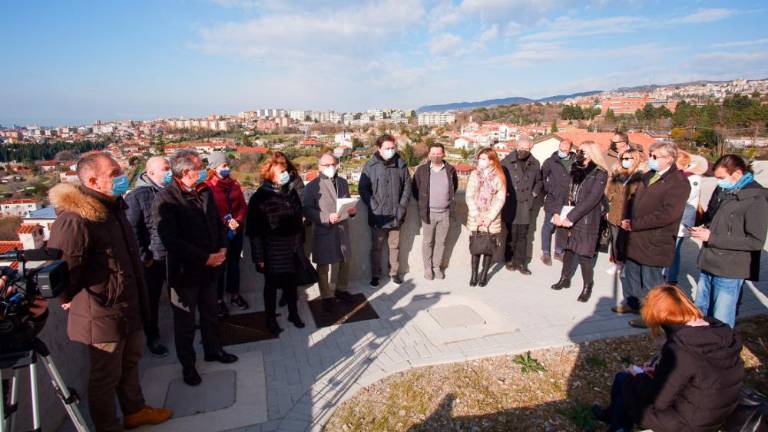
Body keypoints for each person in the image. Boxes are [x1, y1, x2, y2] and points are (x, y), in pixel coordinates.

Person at [48, 153, 172, 431]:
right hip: (101, 313)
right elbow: (63, 268)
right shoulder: (76, 219)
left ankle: (135, 411)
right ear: (93, 180)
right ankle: (107, 426)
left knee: (130, 363)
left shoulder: (113, 209)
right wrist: (66, 297)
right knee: (105, 377)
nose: (122, 175)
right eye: (114, 172)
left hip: (127, 307)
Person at [593, 285, 744, 432]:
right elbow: (699, 376)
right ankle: (612, 418)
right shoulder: (720, 330)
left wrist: (640, 375)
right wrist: (658, 372)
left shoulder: (681, 348)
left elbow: (659, 401)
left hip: (691, 423)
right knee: (626, 381)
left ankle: (617, 426)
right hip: (720, 412)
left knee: (625, 381)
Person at [154, 149, 238, 387]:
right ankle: (188, 366)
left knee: (211, 315)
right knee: (186, 324)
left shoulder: (204, 191)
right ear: (186, 172)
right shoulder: (166, 199)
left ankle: (213, 351)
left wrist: (223, 247)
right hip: (184, 275)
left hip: (210, 271)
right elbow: (171, 240)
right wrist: (204, 258)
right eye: (200, 167)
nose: (203, 170)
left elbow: (217, 221)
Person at [616, 142, 690, 328]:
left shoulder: (678, 182)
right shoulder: (648, 175)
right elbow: (632, 200)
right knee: (632, 274)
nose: (651, 159)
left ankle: (652, 315)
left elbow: (668, 214)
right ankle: (634, 304)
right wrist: (627, 218)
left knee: (651, 282)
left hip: (655, 240)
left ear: (669, 159)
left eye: (655, 157)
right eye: (650, 155)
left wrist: (636, 224)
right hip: (635, 237)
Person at [692, 154, 768, 328]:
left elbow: (755, 241)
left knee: (721, 318)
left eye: (721, 178)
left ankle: (722, 352)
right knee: (701, 311)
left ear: (737, 174)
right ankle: (702, 347)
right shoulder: (726, 191)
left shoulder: (756, 199)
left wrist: (712, 237)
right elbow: (721, 223)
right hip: (709, 261)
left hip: (729, 269)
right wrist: (706, 230)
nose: (718, 182)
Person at [246, 156, 306, 334]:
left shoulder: (290, 192)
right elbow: (254, 231)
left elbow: (297, 218)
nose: (286, 174)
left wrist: (299, 244)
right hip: (272, 251)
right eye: (281, 172)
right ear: (271, 176)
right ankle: (270, 318)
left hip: (292, 248)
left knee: (291, 284)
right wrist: (259, 258)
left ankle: (293, 314)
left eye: (285, 171)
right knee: (271, 287)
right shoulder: (260, 197)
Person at [125, 156, 172, 357]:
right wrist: (146, 257)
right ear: (150, 173)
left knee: (179, 296)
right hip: (153, 261)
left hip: (174, 256)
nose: (169, 172)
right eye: (165, 169)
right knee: (150, 301)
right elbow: (132, 230)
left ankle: (185, 327)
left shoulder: (170, 191)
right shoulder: (137, 196)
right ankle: (153, 337)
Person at [550, 142, 609, 302]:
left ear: (590, 153)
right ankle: (565, 278)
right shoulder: (574, 168)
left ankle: (587, 286)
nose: (578, 153)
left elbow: (592, 199)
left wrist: (571, 217)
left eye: (581, 151)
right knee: (567, 250)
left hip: (586, 218)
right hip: (567, 214)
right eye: (578, 151)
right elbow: (562, 191)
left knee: (584, 255)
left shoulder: (600, 173)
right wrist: (556, 212)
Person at [303, 153, 358, 312]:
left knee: (345, 262)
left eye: (333, 164)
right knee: (323, 266)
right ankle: (326, 297)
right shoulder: (312, 186)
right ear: (319, 167)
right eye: (327, 165)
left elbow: (347, 203)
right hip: (323, 230)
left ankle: (341, 290)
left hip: (342, 230)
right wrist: (326, 217)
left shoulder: (343, 182)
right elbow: (306, 210)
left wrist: (352, 211)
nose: (331, 167)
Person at [359, 134, 411, 286]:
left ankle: (394, 273)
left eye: (392, 148)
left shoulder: (401, 164)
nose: (390, 150)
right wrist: (374, 206)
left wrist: (401, 207)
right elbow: (363, 188)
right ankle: (375, 274)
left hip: (396, 215)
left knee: (394, 246)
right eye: (387, 148)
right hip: (377, 216)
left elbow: (407, 187)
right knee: (376, 247)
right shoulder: (370, 166)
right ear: (379, 148)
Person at [205, 151, 250, 316]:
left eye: (227, 165)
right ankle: (218, 300)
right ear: (213, 168)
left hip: (236, 231)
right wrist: (226, 222)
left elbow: (243, 206)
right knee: (220, 267)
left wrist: (237, 220)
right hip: (219, 234)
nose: (227, 168)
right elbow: (209, 212)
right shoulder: (207, 187)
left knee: (234, 264)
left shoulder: (235, 184)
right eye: (223, 165)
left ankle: (234, 294)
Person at [412, 143, 459, 280]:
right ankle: (427, 268)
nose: (436, 156)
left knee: (441, 242)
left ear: (443, 154)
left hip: (445, 213)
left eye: (439, 153)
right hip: (428, 213)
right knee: (427, 242)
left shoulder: (450, 170)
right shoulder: (421, 170)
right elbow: (415, 189)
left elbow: (453, 188)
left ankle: (436, 267)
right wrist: (424, 204)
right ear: (429, 154)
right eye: (433, 153)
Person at [500, 136, 542, 274]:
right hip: (511, 203)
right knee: (511, 234)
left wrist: (534, 194)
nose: (522, 150)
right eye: (521, 147)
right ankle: (509, 260)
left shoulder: (535, 163)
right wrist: (503, 193)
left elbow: (539, 182)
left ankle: (521, 263)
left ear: (530, 149)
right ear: (516, 146)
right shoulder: (506, 162)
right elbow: (499, 180)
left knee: (523, 235)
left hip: (525, 204)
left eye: (526, 148)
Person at [466, 148, 506, 287]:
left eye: (483, 159)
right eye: (480, 158)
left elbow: (500, 199)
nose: (480, 161)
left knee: (489, 247)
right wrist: (476, 215)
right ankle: (474, 275)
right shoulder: (474, 175)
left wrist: (489, 217)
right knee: (476, 246)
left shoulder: (499, 176)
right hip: (476, 215)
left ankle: (484, 275)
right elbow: (469, 195)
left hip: (492, 217)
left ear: (491, 161)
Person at [664, 151, 704, 285]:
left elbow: (686, 197)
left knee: (673, 251)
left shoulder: (693, 179)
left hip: (682, 220)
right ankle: (666, 274)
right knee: (669, 249)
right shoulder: (673, 176)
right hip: (670, 219)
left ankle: (671, 278)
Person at [604, 149, 644, 275]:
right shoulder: (618, 174)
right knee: (615, 240)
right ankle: (617, 262)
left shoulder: (641, 177)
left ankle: (627, 264)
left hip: (630, 214)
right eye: (623, 159)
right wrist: (607, 207)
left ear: (635, 159)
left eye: (627, 159)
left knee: (627, 242)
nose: (624, 161)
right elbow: (609, 191)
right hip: (615, 212)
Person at [540, 138, 576, 265]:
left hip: (568, 200)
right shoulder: (550, 161)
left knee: (563, 228)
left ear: (570, 150)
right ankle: (545, 252)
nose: (563, 151)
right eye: (561, 149)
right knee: (548, 226)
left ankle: (559, 251)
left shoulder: (575, 162)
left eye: (565, 150)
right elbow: (542, 178)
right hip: (553, 198)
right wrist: (550, 189)